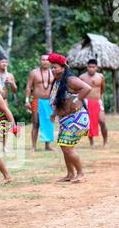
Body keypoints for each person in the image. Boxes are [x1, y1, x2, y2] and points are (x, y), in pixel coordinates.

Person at [49, 53, 91, 183]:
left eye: (55, 67)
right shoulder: (57, 81)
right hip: (65, 119)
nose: (53, 69)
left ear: (63, 67)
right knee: (64, 145)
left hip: (76, 117)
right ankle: (70, 174)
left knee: (67, 146)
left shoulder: (70, 79)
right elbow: (57, 100)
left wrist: (78, 99)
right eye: (52, 67)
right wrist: (54, 113)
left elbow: (87, 88)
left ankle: (81, 173)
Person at [25, 53, 55, 152]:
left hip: (49, 102)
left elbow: (56, 87)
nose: (45, 61)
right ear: (40, 61)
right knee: (35, 123)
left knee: (49, 122)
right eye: (43, 59)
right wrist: (27, 100)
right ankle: (33, 146)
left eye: (47, 60)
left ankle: (48, 145)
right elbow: (29, 87)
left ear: (50, 62)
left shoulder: (54, 73)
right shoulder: (34, 73)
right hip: (37, 100)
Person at [0, 55, 17, 152]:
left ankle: (4, 146)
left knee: (5, 123)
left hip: (4, 102)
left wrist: (11, 83)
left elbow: (14, 90)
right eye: (2, 62)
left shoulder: (9, 75)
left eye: (6, 62)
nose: (4, 64)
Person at [79, 59, 108, 148]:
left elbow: (103, 89)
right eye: (89, 67)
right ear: (87, 67)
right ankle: (92, 143)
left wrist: (100, 99)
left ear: (96, 68)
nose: (91, 69)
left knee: (102, 121)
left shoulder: (100, 77)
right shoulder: (82, 77)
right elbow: (78, 90)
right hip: (86, 102)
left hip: (97, 101)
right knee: (89, 123)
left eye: (93, 67)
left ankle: (105, 141)